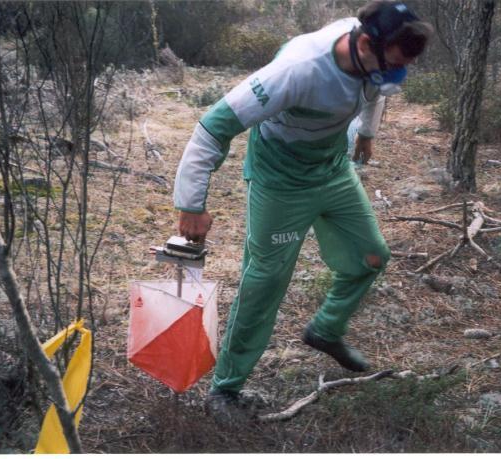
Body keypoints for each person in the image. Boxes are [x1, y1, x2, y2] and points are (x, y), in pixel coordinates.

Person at [173, 0, 432, 417]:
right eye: (392, 66)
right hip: (279, 181)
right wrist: (190, 203)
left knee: (370, 257)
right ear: (366, 44)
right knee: (265, 282)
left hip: (331, 169)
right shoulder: (297, 70)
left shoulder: (370, 55)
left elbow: (374, 90)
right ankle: (226, 389)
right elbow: (211, 128)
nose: (396, 78)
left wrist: (366, 132)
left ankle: (325, 330)